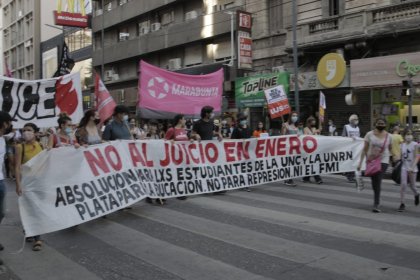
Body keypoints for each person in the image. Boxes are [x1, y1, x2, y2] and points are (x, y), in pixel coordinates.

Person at [15, 123, 44, 251]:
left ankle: (33, 234)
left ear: (36, 133)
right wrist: (18, 184)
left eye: (29, 130)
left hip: (39, 182)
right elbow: (17, 167)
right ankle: (34, 235)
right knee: (30, 208)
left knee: (36, 209)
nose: (26, 132)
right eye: (24, 130)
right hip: (26, 183)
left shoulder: (41, 145)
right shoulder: (20, 147)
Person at [358, 118, 392, 213]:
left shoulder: (389, 136)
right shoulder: (369, 134)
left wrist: (394, 161)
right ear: (375, 124)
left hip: (383, 161)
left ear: (385, 124)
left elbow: (390, 149)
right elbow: (364, 149)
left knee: (378, 180)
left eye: (382, 123)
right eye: (379, 123)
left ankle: (376, 203)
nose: (380, 124)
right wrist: (360, 162)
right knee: (374, 182)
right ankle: (377, 197)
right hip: (371, 161)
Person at [165, 114, 190, 200]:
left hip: (183, 156)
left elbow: (186, 141)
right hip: (174, 157)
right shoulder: (172, 130)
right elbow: (164, 142)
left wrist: (191, 140)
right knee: (176, 175)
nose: (185, 121)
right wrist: (170, 141)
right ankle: (178, 192)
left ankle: (181, 191)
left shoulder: (184, 130)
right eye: (184, 119)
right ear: (180, 120)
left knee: (182, 175)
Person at [397, 128, 420, 212]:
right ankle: (402, 203)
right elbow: (401, 156)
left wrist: (413, 167)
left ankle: (416, 194)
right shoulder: (402, 145)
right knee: (403, 185)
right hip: (404, 167)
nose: (409, 136)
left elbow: (417, 156)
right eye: (407, 134)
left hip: (413, 168)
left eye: (410, 134)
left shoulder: (415, 145)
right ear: (404, 136)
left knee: (412, 186)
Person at [0, 111, 12, 264]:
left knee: (1, 213)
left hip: (1, 182)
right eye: (8, 122)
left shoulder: (3, 139)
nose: (10, 125)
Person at [231, 116, 252, 191]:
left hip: (248, 150)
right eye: (242, 120)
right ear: (239, 121)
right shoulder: (236, 129)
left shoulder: (248, 127)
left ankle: (246, 183)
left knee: (247, 168)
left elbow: (251, 137)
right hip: (239, 151)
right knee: (242, 168)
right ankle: (244, 184)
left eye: (245, 119)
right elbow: (232, 140)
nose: (244, 121)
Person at [302, 117, 323, 184]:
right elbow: (306, 137)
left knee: (311, 163)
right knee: (312, 163)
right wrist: (314, 132)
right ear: (309, 122)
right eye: (313, 121)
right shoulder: (305, 129)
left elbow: (317, 138)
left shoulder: (314, 129)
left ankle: (306, 178)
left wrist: (319, 132)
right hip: (308, 149)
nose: (314, 123)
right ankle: (318, 178)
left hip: (314, 149)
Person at [281, 112, 299, 186]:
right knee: (288, 163)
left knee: (292, 163)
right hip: (287, 147)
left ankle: (288, 179)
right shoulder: (285, 125)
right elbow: (282, 136)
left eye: (296, 116)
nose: (295, 117)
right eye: (293, 115)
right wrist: (283, 128)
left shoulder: (296, 126)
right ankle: (288, 179)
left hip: (294, 148)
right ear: (290, 117)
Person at [342, 114, 361, 183]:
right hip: (348, 147)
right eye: (355, 119)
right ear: (351, 120)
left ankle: (349, 174)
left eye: (357, 119)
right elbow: (343, 136)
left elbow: (358, 136)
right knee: (350, 161)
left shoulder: (357, 128)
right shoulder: (346, 127)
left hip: (355, 148)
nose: (356, 121)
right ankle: (350, 176)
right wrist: (349, 138)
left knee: (354, 162)